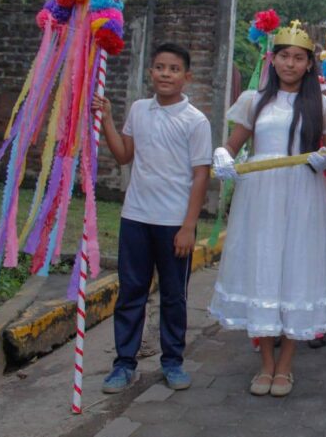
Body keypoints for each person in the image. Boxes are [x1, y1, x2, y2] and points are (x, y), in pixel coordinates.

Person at [209, 21, 326, 397]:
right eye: (284, 56)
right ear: (273, 60)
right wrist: (222, 156)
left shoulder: (323, 105)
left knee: (296, 274)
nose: (290, 63)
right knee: (265, 271)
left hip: (303, 195)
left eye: (298, 58)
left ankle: (286, 366)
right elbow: (232, 145)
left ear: (309, 65)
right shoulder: (254, 101)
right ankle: (265, 364)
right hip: (261, 198)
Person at [95, 43, 212, 393]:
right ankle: (124, 363)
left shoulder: (195, 121)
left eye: (173, 69)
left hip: (174, 222)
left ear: (186, 77)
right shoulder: (139, 110)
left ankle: (172, 361)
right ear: (151, 72)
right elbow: (123, 156)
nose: (165, 74)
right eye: (159, 67)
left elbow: (201, 175)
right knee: (131, 291)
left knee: (173, 295)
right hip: (135, 217)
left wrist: (188, 226)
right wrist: (108, 121)